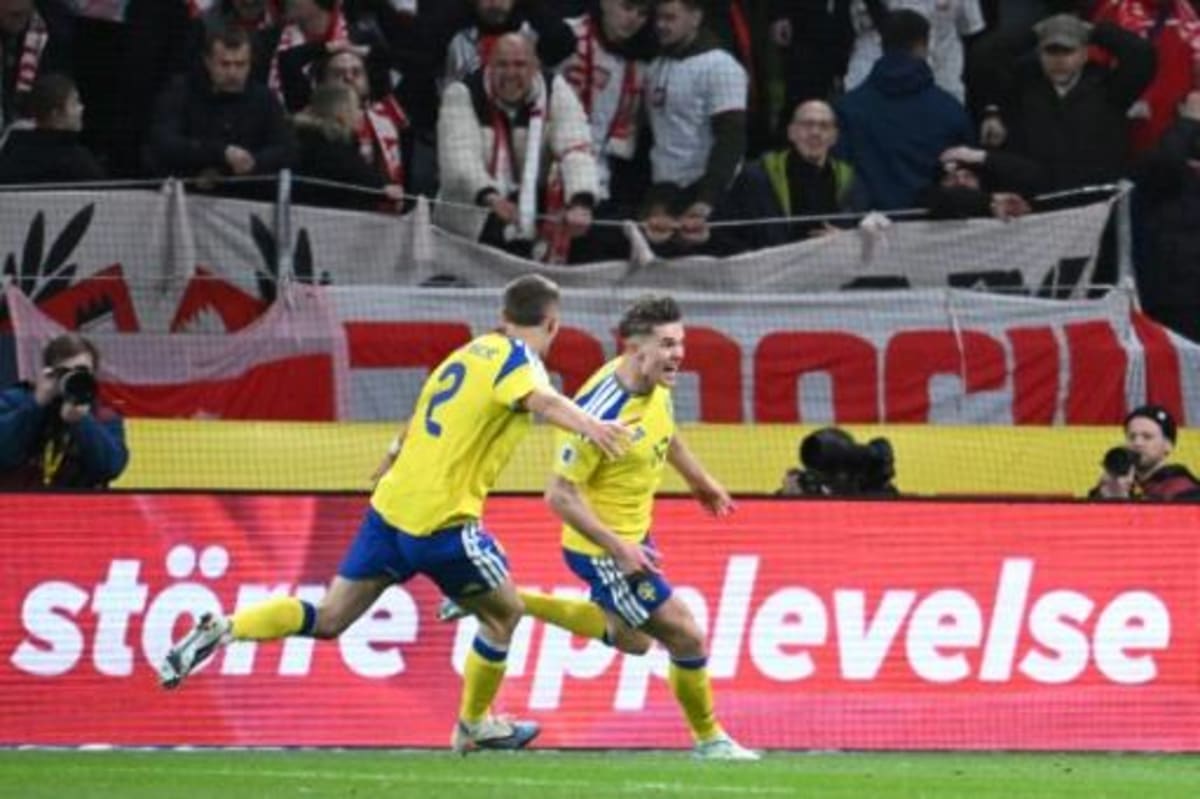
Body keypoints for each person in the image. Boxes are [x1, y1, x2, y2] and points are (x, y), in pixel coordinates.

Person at [157, 275, 632, 754]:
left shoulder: (468, 353)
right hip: (442, 523)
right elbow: (542, 400)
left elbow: (421, 412)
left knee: (328, 618)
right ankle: (475, 723)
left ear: (502, 317)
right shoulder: (518, 361)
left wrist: (391, 454)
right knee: (505, 614)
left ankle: (226, 628)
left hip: (389, 512)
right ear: (553, 324)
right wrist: (594, 427)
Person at [440, 295, 760, 760]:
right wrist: (618, 548)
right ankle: (710, 740)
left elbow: (664, 432)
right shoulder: (600, 412)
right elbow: (559, 496)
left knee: (634, 639)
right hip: (603, 546)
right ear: (635, 349)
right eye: (668, 345)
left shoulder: (653, 381)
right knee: (686, 634)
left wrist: (698, 479)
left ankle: (503, 599)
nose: (678, 354)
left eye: (681, 343)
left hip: (632, 536)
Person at [435, 33, 598, 263]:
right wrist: (491, 198)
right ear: (489, 65)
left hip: (535, 217)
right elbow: (459, 160)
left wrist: (581, 201)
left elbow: (576, 147)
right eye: (502, 64)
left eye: (520, 65)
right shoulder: (462, 93)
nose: (511, 73)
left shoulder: (556, 91)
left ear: (535, 67)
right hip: (472, 222)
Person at [834, 8, 973, 210]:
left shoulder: (847, 109)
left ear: (881, 44)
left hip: (870, 230)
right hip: (939, 230)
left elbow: (839, 175)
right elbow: (968, 174)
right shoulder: (950, 110)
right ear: (923, 46)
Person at [641, 0, 748, 251]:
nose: (660, 25)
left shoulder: (721, 67)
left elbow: (731, 140)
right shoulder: (655, 67)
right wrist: (657, 201)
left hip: (705, 191)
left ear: (695, 18)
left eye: (670, 18)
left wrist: (705, 202)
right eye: (658, 18)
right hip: (663, 193)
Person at [146, 26, 296, 184]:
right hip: (186, 189)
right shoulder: (182, 91)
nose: (232, 73)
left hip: (246, 193)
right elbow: (163, 142)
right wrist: (220, 153)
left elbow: (287, 150)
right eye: (225, 64)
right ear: (207, 62)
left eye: (240, 64)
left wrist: (252, 162)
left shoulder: (264, 99)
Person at [719, 99, 856, 250]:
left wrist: (845, 238)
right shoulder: (756, 177)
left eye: (824, 126)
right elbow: (726, 233)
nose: (815, 133)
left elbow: (860, 229)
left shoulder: (851, 181)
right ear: (791, 133)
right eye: (807, 125)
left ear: (834, 137)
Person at [0, 333, 128, 489]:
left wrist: (82, 421)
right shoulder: (16, 400)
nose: (73, 378)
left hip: (75, 509)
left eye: (81, 371)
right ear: (49, 373)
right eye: (64, 372)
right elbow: (4, 451)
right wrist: (36, 404)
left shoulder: (103, 415)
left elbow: (111, 468)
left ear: (93, 375)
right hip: (19, 506)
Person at [0, 73, 105, 184]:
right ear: (55, 114)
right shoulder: (77, 162)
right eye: (75, 103)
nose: (81, 108)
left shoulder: (11, 152)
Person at [1089, 404, 1200, 500]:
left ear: (1168, 446)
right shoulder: (1120, 482)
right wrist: (1100, 495)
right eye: (1132, 437)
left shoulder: (1182, 488)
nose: (1137, 443)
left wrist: (1121, 502)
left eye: (1147, 437)